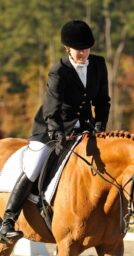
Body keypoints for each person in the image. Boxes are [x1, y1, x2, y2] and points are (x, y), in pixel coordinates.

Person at [0, 20, 111, 241]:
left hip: (85, 128)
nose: (84, 53)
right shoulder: (59, 71)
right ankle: (7, 221)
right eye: (79, 50)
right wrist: (57, 134)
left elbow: (102, 101)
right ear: (67, 48)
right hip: (51, 127)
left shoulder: (98, 64)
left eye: (87, 49)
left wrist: (99, 126)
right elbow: (52, 108)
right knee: (33, 166)